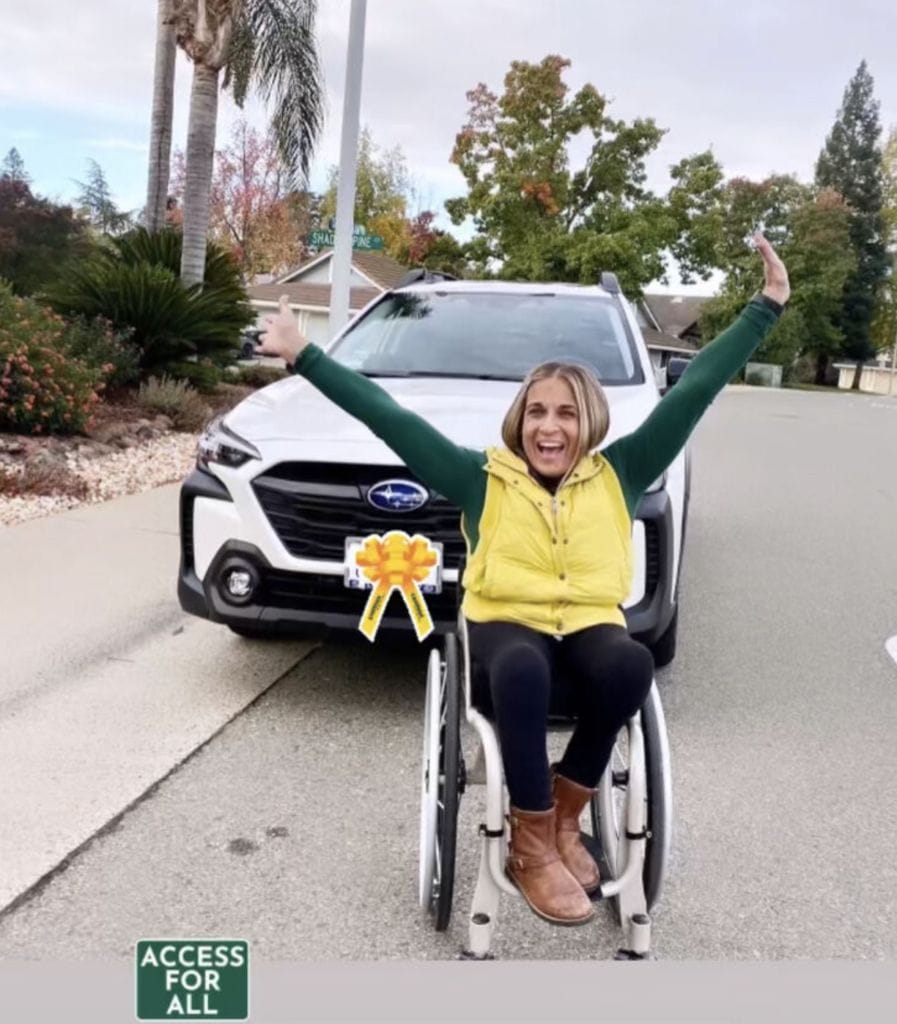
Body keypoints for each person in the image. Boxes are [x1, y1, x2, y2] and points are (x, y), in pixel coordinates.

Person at [258, 235, 790, 927]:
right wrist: (306, 354)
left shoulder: (622, 470)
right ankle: (532, 842)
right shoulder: (480, 477)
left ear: (588, 423)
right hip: (504, 624)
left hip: (589, 622)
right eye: (536, 412)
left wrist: (765, 306)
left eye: (565, 413)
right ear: (518, 421)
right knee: (519, 671)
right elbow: (387, 417)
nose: (549, 426)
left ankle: (567, 818)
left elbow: (694, 389)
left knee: (630, 661)